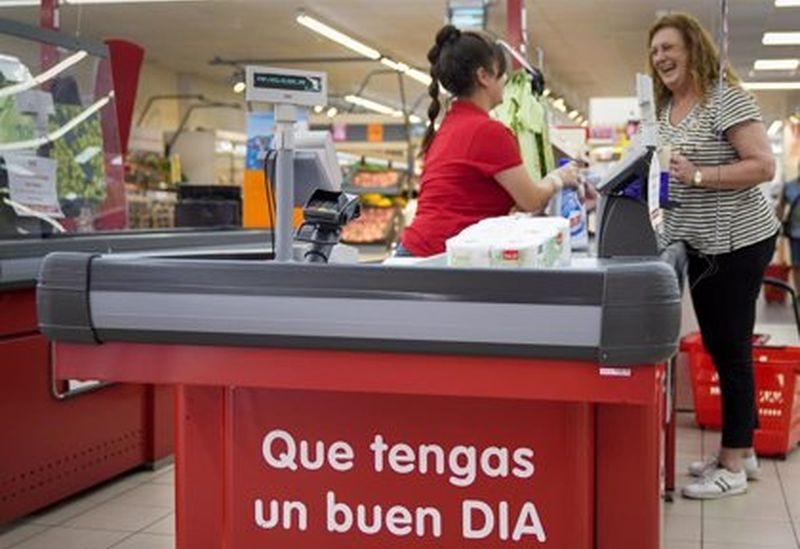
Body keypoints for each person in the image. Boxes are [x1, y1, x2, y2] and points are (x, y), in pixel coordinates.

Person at [648, 12, 780, 499]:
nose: (661, 56)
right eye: (655, 49)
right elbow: (668, 171)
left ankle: (732, 464)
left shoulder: (723, 98)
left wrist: (700, 176)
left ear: (693, 50)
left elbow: (763, 166)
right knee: (722, 348)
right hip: (701, 243)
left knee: (732, 350)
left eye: (669, 47)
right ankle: (739, 452)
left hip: (739, 242)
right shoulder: (668, 108)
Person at [397, 25, 579, 257]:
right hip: (437, 259)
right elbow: (531, 200)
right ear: (483, 76)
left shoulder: (449, 127)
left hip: (419, 253)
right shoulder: (488, 132)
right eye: (501, 73)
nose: (504, 80)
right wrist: (558, 178)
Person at [778, 163, 800, 292]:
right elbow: (781, 206)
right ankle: (798, 294)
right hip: (794, 233)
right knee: (796, 265)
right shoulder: (789, 186)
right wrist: (777, 224)